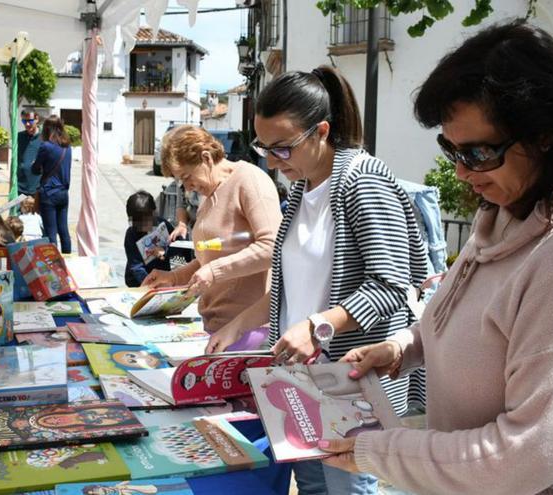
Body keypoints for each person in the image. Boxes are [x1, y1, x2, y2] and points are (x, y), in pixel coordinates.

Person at [316, 22, 553, 494]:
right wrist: (406, 348)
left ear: (545, 135)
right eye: (451, 149)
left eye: (479, 152)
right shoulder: (512, 205)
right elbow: (475, 318)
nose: (461, 172)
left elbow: (528, 453)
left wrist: (375, 450)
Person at [205, 65, 427, 495]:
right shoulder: (301, 190)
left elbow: (393, 283)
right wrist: (245, 327)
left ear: (321, 131)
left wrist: (319, 326)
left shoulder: (364, 181)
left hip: (350, 386)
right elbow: (295, 287)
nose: (271, 161)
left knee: (346, 489)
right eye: (263, 147)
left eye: (282, 148)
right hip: (302, 384)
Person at [143, 125, 282, 336]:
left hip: (248, 331)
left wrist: (214, 271)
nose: (187, 187)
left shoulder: (249, 180)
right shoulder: (209, 195)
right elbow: (212, 258)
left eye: (187, 176)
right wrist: (173, 277)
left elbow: (273, 247)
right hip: (217, 327)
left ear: (206, 158)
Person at [31, 115, 72, 253]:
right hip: (63, 193)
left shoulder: (46, 146)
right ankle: (68, 261)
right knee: (64, 230)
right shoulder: (67, 147)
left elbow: (35, 169)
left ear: (47, 129)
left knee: (51, 233)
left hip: (49, 193)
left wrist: (38, 166)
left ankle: (54, 267)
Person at [123, 190, 173, 287]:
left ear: (153, 213)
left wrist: (165, 251)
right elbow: (136, 266)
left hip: (162, 276)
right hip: (138, 281)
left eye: (146, 221)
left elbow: (180, 248)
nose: (143, 227)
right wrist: (149, 283)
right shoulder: (131, 234)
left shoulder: (164, 226)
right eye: (138, 223)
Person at [17, 110, 43, 202]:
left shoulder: (44, 138)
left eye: (30, 121)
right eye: (24, 121)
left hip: (37, 187)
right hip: (20, 187)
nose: (27, 124)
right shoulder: (19, 137)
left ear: (37, 119)